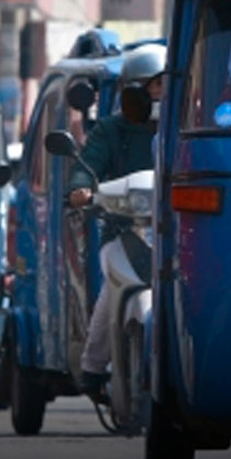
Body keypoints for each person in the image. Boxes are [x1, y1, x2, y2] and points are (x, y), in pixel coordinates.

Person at [67, 44, 165, 401]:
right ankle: (94, 368)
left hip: (177, 234)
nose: (158, 94)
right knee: (114, 287)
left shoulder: (185, 126)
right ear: (131, 92)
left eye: (164, 85)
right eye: (149, 87)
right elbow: (86, 164)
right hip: (123, 232)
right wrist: (80, 188)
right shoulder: (111, 130)